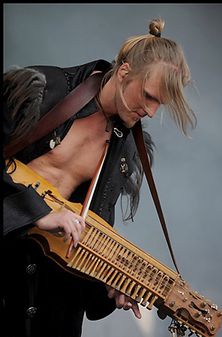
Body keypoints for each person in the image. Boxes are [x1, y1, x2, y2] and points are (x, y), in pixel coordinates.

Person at [3, 17, 196, 337]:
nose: (151, 113)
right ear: (123, 73)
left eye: (159, 103)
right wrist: (37, 214)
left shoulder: (126, 152)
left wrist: (109, 285)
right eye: (148, 96)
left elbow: (84, 239)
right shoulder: (41, 91)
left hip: (51, 302)